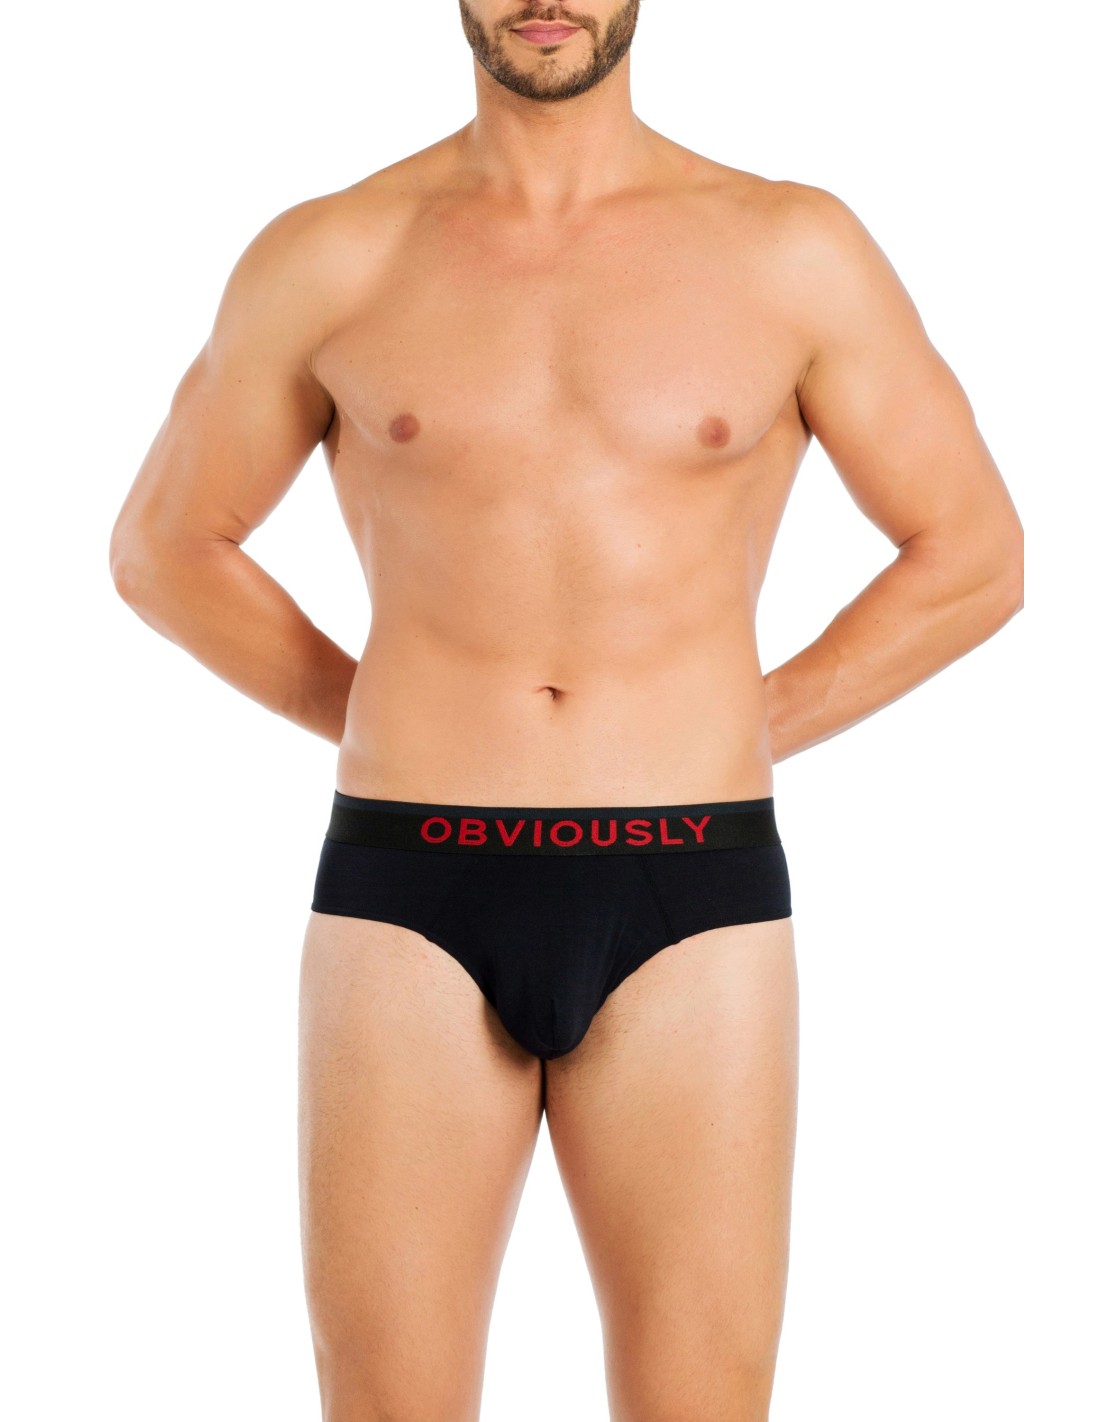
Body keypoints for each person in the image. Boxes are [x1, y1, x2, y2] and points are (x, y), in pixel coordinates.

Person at [107, 3, 1025, 1417]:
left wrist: (746, 725)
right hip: (410, 887)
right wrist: (385, 716)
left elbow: (974, 554)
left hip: (689, 889)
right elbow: (165, 548)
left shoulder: (790, 249)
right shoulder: (335, 253)